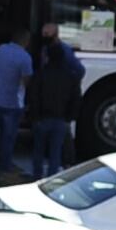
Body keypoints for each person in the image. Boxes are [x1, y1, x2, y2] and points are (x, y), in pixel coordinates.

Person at [27, 26, 84, 178]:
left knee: (38, 151)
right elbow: (76, 98)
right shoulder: (70, 77)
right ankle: (50, 180)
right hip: (60, 119)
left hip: (42, 118)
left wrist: (35, 116)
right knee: (55, 153)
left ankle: (36, 178)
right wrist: (69, 117)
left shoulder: (41, 74)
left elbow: (34, 96)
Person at [0, 27, 33, 175]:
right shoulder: (25, 58)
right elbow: (27, 81)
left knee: (3, 133)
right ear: (26, 41)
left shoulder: (1, 49)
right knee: (10, 136)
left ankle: (1, 159)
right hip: (13, 102)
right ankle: (6, 165)